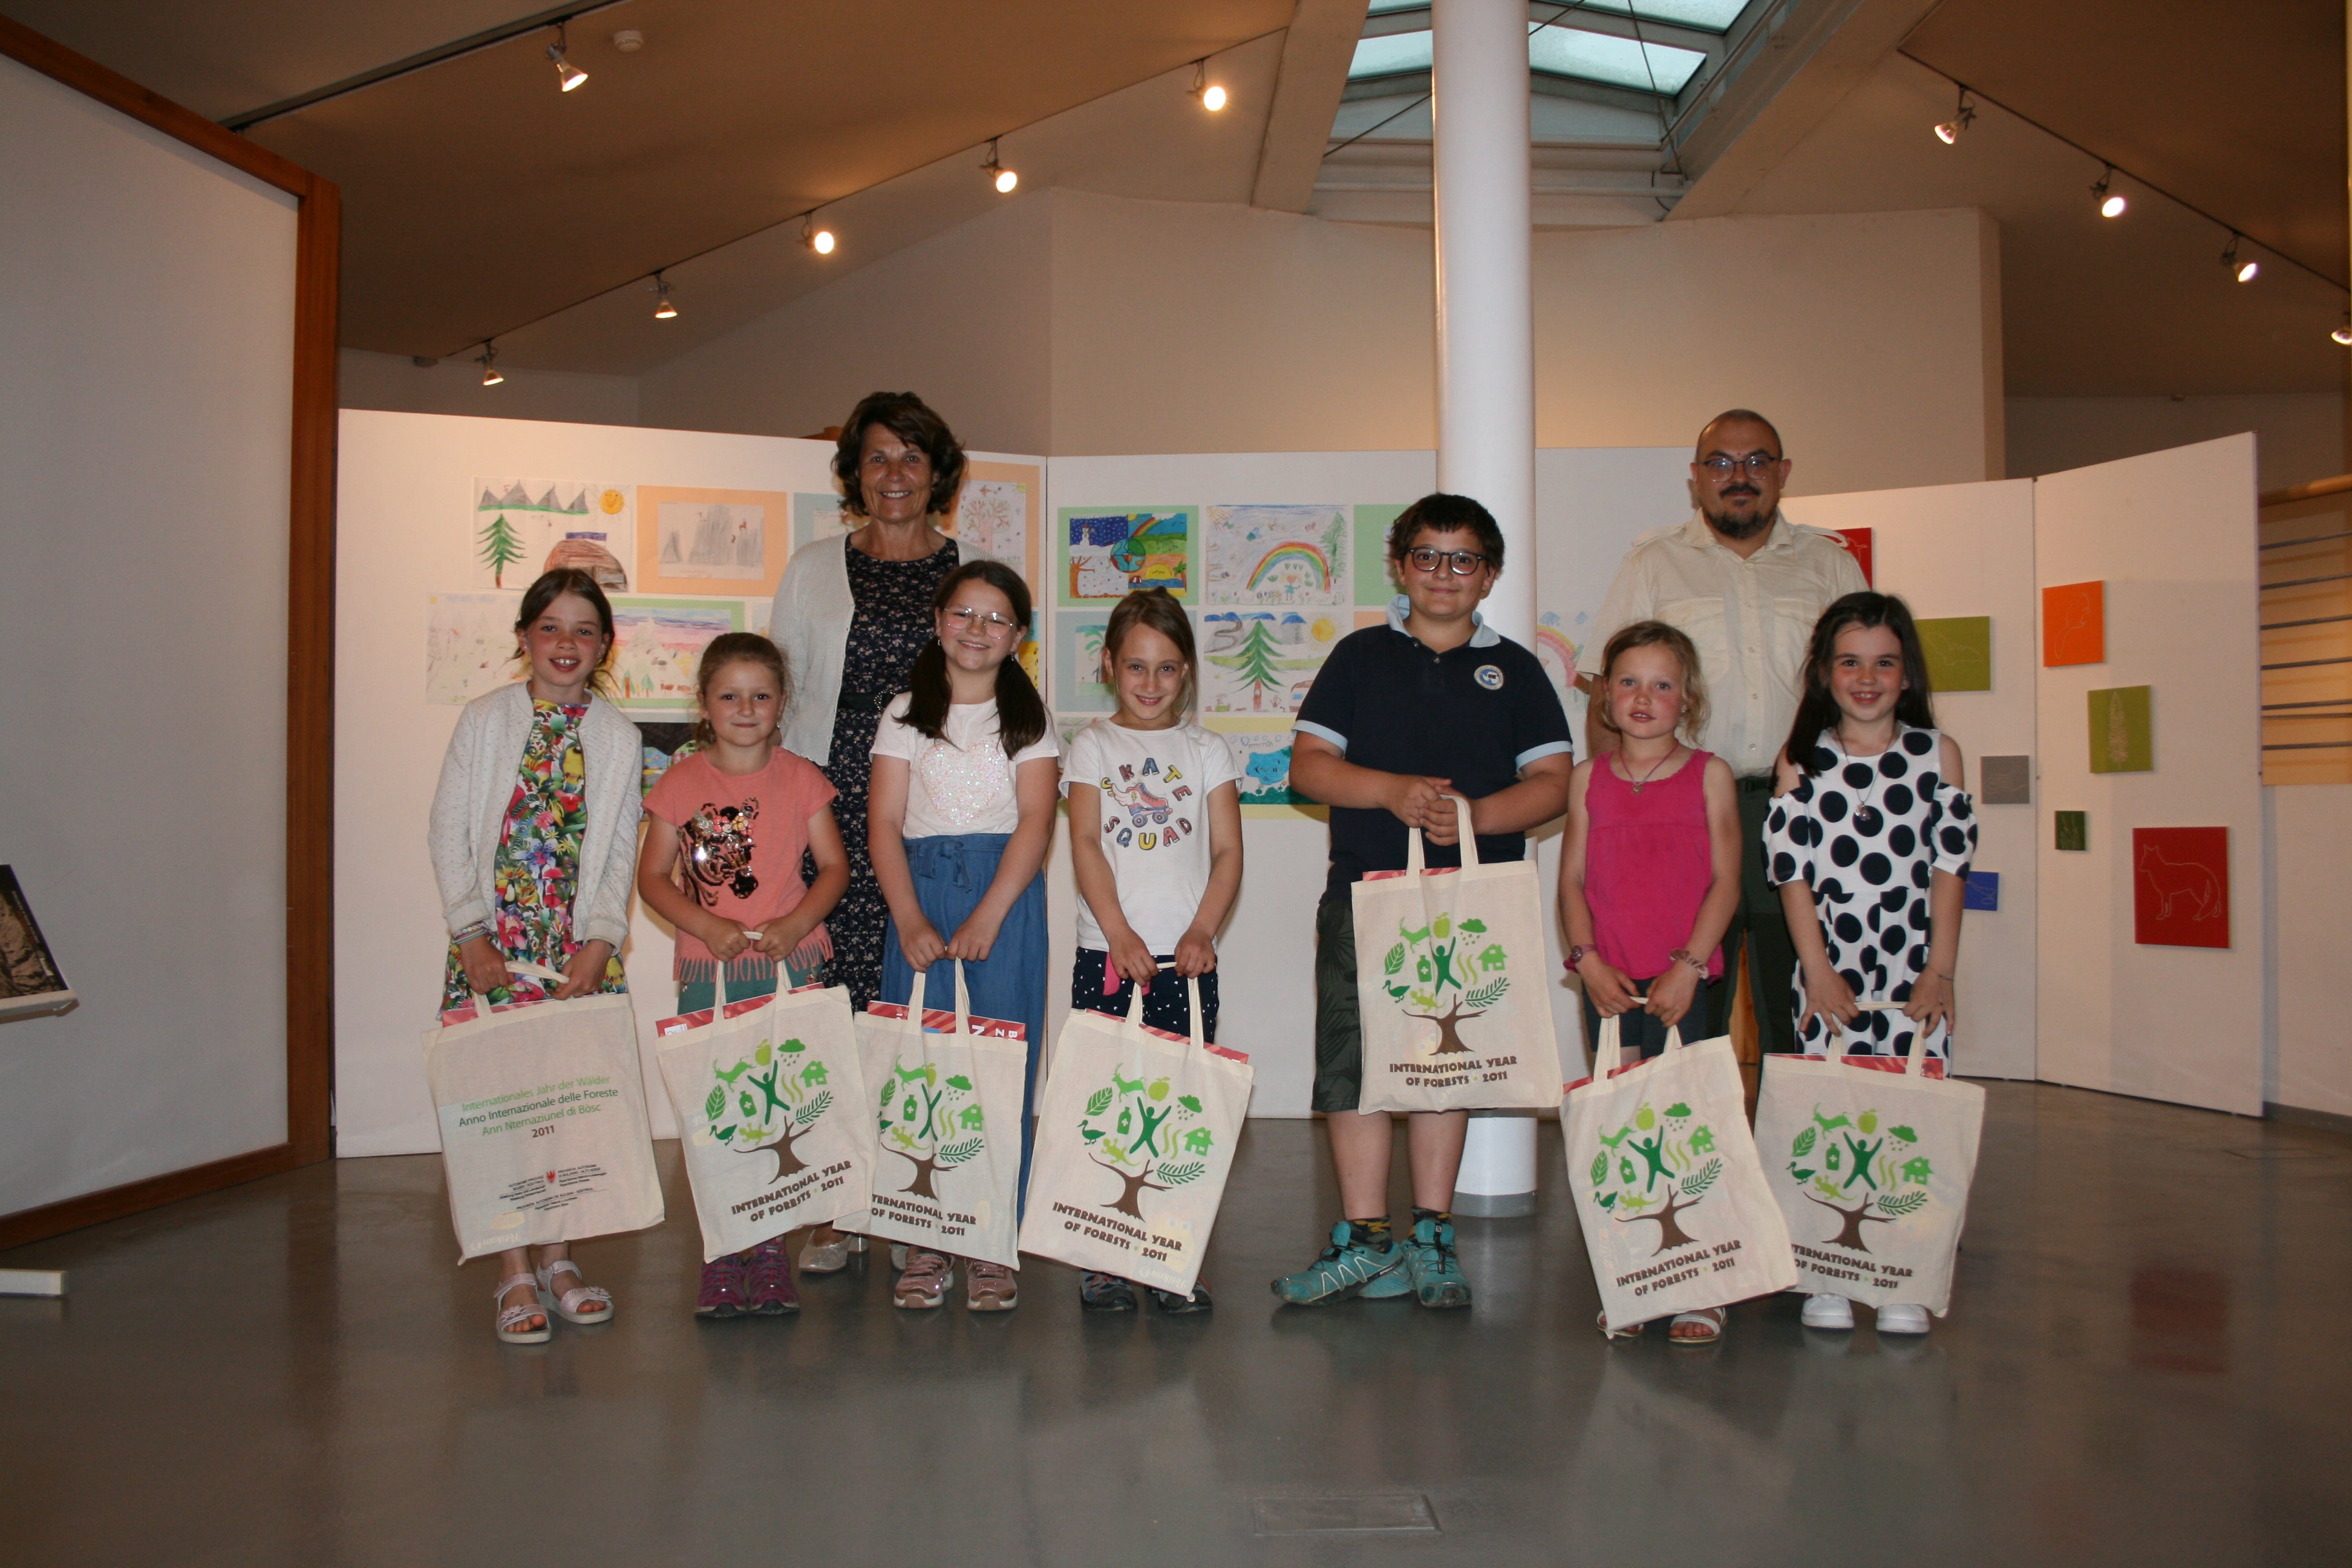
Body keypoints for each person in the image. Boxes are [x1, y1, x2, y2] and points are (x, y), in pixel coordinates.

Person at [1276, 494, 1573, 1309]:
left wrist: (1476, 815)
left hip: (1471, 905)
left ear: (1491, 573)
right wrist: (1392, 791)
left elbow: (1553, 784)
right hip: (1366, 892)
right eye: (1428, 557)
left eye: (1464, 558)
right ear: (1401, 567)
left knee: (1448, 1064)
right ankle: (1365, 1241)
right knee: (1356, 1066)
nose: (1445, 574)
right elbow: (1308, 767)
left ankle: (1432, 1237)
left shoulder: (1516, 669)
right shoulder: (1359, 657)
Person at [1579, 411, 1867, 1059]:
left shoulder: (1827, 564)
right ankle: (1695, 1157)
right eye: (1721, 464)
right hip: (1680, 816)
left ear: (1783, 473)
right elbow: (1606, 692)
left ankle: (1793, 1157)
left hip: (1805, 811)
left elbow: (1864, 691)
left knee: (1798, 1002)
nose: (1739, 477)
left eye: (1757, 461)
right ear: (1696, 479)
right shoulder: (1655, 564)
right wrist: (1613, 811)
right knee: (1684, 1010)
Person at [768, 391, 978, 1276]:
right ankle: (842, 1200)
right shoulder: (814, 566)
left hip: (933, 811)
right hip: (830, 799)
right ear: (855, 471)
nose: (895, 473)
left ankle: (911, 1197)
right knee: (836, 999)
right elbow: (778, 689)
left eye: (912, 457)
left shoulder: (974, 573)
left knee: (918, 999)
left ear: (939, 474)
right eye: (878, 456)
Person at [429, 568, 642, 1344]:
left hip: (575, 951)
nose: (566, 643)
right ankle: (511, 1265)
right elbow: (449, 829)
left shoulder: (618, 737)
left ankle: (559, 1256)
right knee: (499, 1104)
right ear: (524, 637)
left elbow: (621, 849)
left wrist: (601, 942)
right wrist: (470, 935)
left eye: (584, 630)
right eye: (550, 627)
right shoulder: (485, 720)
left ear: (604, 646)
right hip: (493, 947)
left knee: (567, 1106)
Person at [1765, 591, 1975, 1337]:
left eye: (1884, 663)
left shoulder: (1935, 753)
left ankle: (1903, 1275)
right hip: (1833, 969)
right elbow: (1792, 873)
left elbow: (1950, 866)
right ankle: (1828, 1271)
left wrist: (1940, 970)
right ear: (1825, 673)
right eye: (1850, 662)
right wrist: (1816, 970)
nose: (1867, 677)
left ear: (1906, 675)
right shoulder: (1803, 761)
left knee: (1908, 1118)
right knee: (1837, 1115)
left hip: (1914, 969)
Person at [638, 633, 850, 1320]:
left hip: (792, 971)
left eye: (761, 695)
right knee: (720, 1111)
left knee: (783, 1108)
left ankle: (770, 1252)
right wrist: (704, 926)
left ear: (782, 703)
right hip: (713, 976)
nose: (746, 708)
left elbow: (836, 868)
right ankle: (723, 1253)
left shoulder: (802, 779)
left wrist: (793, 926)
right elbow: (652, 879)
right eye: (730, 695)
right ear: (704, 704)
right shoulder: (680, 784)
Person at [869, 560, 1058, 1312]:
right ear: (938, 620)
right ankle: (924, 1235)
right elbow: (883, 821)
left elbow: (1038, 821)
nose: (978, 630)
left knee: (999, 1065)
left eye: (996, 619)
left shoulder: (1028, 719)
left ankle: (989, 1239)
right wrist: (910, 915)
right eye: (964, 614)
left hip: (1004, 897)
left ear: (1019, 637)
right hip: (917, 891)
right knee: (918, 1066)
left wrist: (990, 912)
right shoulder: (906, 712)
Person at [1558, 619, 1744, 1344]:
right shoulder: (1588, 779)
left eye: (1662, 684)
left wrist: (1688, 967)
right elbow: (1571, 881)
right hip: (1609, 983)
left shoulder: (1712, 775)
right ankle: (1635, 1276)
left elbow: (1727, 883)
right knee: (1626, 1132)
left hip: (1682, 985)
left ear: (1687, 698)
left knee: (1687, 1126)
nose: (1644, 697)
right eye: (1628, 682)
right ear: (1606, 697)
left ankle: (1702, 1283)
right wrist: (1587, 960)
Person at [1063, 587, 1244, 1315]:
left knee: (1178, 1108)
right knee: (1108, 1104)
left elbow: (1228, 851)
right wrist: (1118, 933)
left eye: (1168, 670)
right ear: (1109, 665)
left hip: (1186, 965)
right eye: (1136, 667)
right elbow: (1083, 843)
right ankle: (1105, 1254)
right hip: (1108, 955)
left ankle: (1172, 1250)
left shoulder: (1206, 751)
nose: (1150, 684)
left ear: (1188, 673)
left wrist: (1200, 931)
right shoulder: (1092, 746)